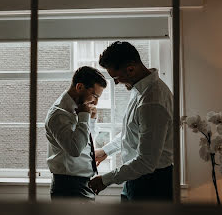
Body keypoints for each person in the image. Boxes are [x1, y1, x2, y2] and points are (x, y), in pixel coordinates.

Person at [88, 41, 174, 202]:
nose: (116, 82)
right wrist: (106, 150)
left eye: (116, 77)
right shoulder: (140, 90)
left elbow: (147, 161)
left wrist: (105, 180)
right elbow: (132, 132)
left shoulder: (152, 100)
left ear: (131, 69)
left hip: (152, 185)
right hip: (136, 179)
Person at [45, 66, 107, 201]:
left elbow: (84, 142)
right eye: (94, 95)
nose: (96, 102)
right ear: (79, 87)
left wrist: (90, 120)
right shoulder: (59, 114)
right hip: (68, 187)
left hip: (83, 184)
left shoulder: (79, 109)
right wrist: (84, 116)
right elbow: (75, 149)